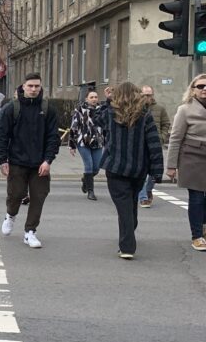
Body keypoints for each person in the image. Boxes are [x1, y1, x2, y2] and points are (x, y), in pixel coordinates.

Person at [0, 73, 61, 248]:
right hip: (17, 162)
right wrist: (2, 160)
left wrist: (48, 160)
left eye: (36, 86)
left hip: (40, 164)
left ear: (40, 87)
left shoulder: (48, 109)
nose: (33, 89)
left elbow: (53, 138)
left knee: (38, 197)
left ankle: (30, 232)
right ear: (23, 86)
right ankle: (10, 215)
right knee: (16, 195)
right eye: (30, 86)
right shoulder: (12, 108)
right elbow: (2, 136)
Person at [100, 82, 164, 259]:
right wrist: (157, 170)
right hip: (138, 168)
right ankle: (130, 230)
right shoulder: (145, 116)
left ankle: (127, 246)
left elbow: (96, 117)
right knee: (130, 202)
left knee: (123, 206)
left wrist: (107, 100)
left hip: (115, 168)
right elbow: (154, 144)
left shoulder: (110, 114)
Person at [165, 73, 206, 252]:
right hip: (193, 157)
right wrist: (171, 165)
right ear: (193, 89)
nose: (204, 89)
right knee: (196, 198)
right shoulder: (185, 109)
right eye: (200, 86)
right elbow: (175, 138)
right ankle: (197, 236)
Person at [68, 90, 105, 200]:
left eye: (96, 97)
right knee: (88, 165)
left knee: (96, 168)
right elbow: (74, 127)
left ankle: (86, 180)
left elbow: (106, 127)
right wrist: (72, 145)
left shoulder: (102, 110)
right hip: (83, 142)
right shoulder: (79, 110)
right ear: (87, 99)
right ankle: (91, 191)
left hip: (98, 142)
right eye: (91, 97)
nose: (94, 99)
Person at [138, 85, 170, 208]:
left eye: (150, 94)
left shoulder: (159, 109)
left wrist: (161, 137)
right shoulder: (137, 108)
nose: (148, 97)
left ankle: (148, 189)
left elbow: (166, 123)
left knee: (154, 171)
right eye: (145, 95)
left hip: (155, 145)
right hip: (141, 146)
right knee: (141, 171)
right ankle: (143, 198)